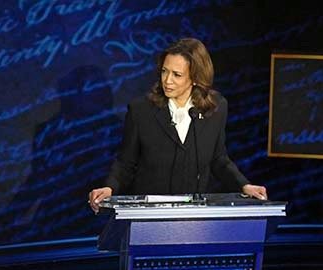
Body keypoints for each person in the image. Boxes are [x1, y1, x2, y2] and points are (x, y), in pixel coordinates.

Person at [88, 38, 267, 212]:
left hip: (193, 215)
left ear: (196, 78)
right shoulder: (141, 110)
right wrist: (109, 188)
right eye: (164, 71)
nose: (167, 80)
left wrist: (244, 185)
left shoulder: (216, 108)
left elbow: (218, 158)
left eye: (177, 75)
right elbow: (126, 162)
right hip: (149, 215)